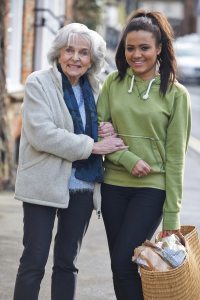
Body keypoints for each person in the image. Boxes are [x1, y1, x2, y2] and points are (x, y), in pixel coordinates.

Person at [13, 23, 127, 300]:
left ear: (93, 60)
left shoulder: (96, 89)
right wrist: (94, 145)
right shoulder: (38, 82)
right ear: (58, 53)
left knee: (67, 263)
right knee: (34, 261)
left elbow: (98, 125)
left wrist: (105, 129)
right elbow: (43, 134)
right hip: (43, 183)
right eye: (69, 50)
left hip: (84, 187)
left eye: (83, 52)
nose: (75, 58)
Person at [97, 10, 191, 300]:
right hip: (113, 186)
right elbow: (99, 130)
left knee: (123, 262)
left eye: (144, 48)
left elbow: (176, 159)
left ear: (159, 49)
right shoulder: (113, 83)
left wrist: (172, 217)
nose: (136, 54)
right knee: (121, 266)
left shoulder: (176, 95)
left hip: (151, 189)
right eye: (130, 48)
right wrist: (127, 159)